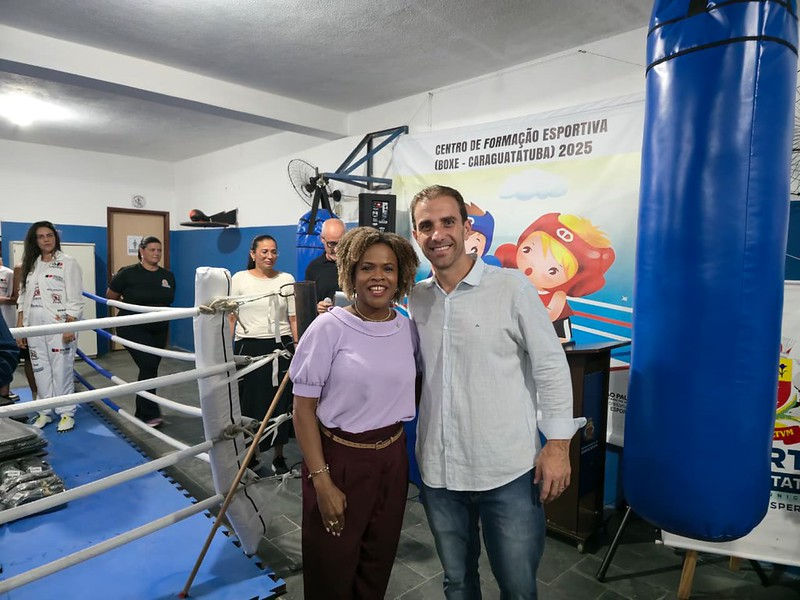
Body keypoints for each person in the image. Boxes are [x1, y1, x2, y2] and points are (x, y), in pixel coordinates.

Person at [408, 185, 583, 599]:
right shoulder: (417, 298)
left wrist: (557, 446)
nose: (438, 234)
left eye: (448, 222)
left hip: (506, 471)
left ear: (466, 227)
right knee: (457, 583)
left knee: (518, 589)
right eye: (426, 226)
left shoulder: (512, 288)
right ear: (416, 236)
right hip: (439, 470)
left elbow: (551, 367)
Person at [290, 226, 420, 599]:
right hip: (339, 458)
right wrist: (322, 480)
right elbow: (302, 411)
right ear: (350, 273)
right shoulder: (328, 328)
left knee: (377, 562)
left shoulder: (407, 330)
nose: (378, 277)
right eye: (367, 268)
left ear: (401, 275)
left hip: (392, 458)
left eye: (388, 268)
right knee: (331, 566)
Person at [230, 235, 298, 475]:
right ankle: (251, 455)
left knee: (280, 403)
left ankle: (279, 456)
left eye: (273, 251)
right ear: (253, 254)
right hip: (249, 347)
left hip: (281, 346)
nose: (269, 256)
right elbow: (231, 315)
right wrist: (229, 349)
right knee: (250, 403)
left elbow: (292, 316)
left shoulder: (286, 279)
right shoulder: (239, 279)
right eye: (264, 251)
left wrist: (298, 346)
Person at [495, 213, 615, 342]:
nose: (531, 266)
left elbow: (557, 331)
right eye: (527, 250)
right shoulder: (507, 278)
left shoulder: (556, 299)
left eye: (553, 270)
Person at [16, 221, 83, 432]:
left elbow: (75, 298)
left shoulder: (67, 262)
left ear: (55, 237)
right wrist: (21, 327)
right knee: (40, 369)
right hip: (34, 326)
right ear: (35, 241)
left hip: (58, 325)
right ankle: (44, 411)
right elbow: (23, 296)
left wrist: (70, 326)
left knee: (61, 369)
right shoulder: (32, 264)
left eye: (49, 235)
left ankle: (66, 413)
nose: (46, 239)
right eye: (41, 236)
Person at [106, 236, 176, 427]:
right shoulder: (127, 273)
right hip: (132, 326)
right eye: (152, 250)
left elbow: (168, 301)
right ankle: (149, 414)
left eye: (159, 250)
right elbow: (111, 296)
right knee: (148, 364)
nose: (156, 253)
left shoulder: (167, 276)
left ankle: (143, 412)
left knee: (150, 368)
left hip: (159, 328)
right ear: (142, 251)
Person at [304, 217, 345, 314]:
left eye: (341, 243)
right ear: (322, 239)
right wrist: (317, 307)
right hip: (327, 324)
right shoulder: (314, 268)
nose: (336, 249)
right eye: (332, 244)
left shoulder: (357, 264)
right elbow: (308, 304)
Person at [0, 255, 20, 402]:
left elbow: (16, 299)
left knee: (7, 351)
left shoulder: (8, 273)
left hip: (6, 319)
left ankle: (4, 395)